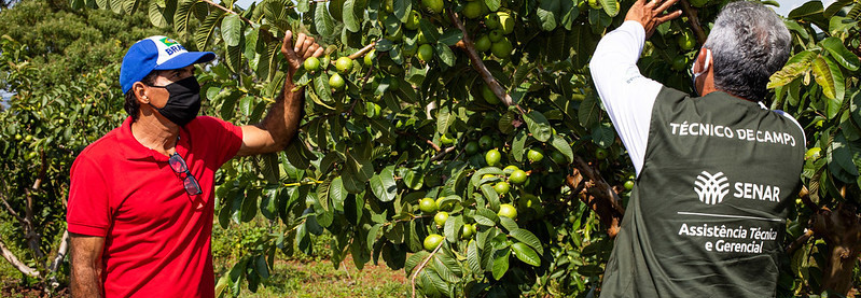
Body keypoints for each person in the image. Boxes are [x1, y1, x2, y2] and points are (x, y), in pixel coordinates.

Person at [66, 32, 323, 298]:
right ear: (142, 92)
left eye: (190, 73)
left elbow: (274, 136)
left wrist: (295, 75)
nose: (190, 83)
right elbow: (85, 266)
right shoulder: (97, 164)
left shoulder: (205, 135)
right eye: (177, 76)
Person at [590, 1, 804, 297]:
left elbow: (606, 62)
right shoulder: (792, 136)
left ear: (704, 58)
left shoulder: (661, 118)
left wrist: (635, 26)